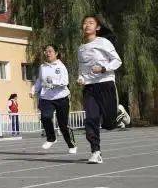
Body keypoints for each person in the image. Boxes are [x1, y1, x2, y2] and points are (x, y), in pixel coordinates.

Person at [78, 15, 130, 164]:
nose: (87, 25)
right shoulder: (81, 49)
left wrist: (103, 68)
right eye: (84, 23)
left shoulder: (104, 42)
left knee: (108, 124)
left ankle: (118, 111)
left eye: (91, 23)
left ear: (97, 28)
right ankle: (95, 151)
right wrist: (81, 78)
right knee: (91, 119)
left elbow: (117, 61)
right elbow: (82, 69)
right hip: (89, 87)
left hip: (106, 83)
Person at [29, 45, 77, 154]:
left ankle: (71, 144)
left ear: (56, 53)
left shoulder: (61, 66)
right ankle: (51, 138)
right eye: (46, 51)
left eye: (50, 51)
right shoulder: (43, 67)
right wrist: (33, 90)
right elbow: (39, 81)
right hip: (46, 98)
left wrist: (52, 84)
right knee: (45, 117)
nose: (48, 53)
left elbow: (65, 82)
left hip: (61, 98)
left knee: (63, 124)